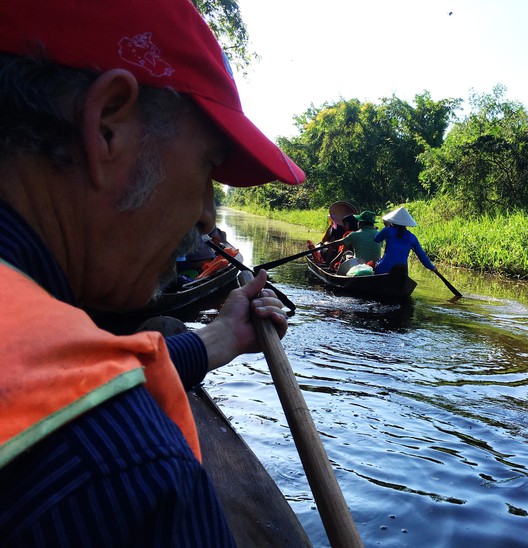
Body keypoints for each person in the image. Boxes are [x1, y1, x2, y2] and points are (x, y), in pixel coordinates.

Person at [0, 0, 305, 545]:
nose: (208, 215)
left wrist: (222, 337)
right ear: (108, 127)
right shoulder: (129, 471)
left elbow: (51, 368)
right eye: (209, 166)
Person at [374, 207, 437, 275]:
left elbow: (376, 239)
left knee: (376, 264)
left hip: (384, 269)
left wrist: (386, 226)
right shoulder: (412, 237)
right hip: (402, 272)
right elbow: (422, 256)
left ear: (393, 221)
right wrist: (432, 267)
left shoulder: (388, 230)